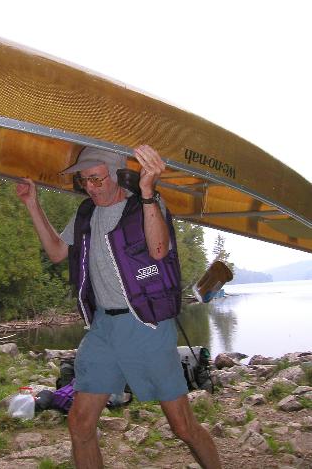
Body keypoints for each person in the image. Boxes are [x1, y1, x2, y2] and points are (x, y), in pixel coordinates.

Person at [16, 144, 222, 469]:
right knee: (80, 423)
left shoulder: (145, 205)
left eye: (97, 179)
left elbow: (158, 249)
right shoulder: (86, 214)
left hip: (147, 327)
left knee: (182, 426)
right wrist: (32, 204)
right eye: (85, 181)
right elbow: (57, 252)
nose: (92, 187)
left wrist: (148, 191)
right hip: (103, 329)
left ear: (116, 175)